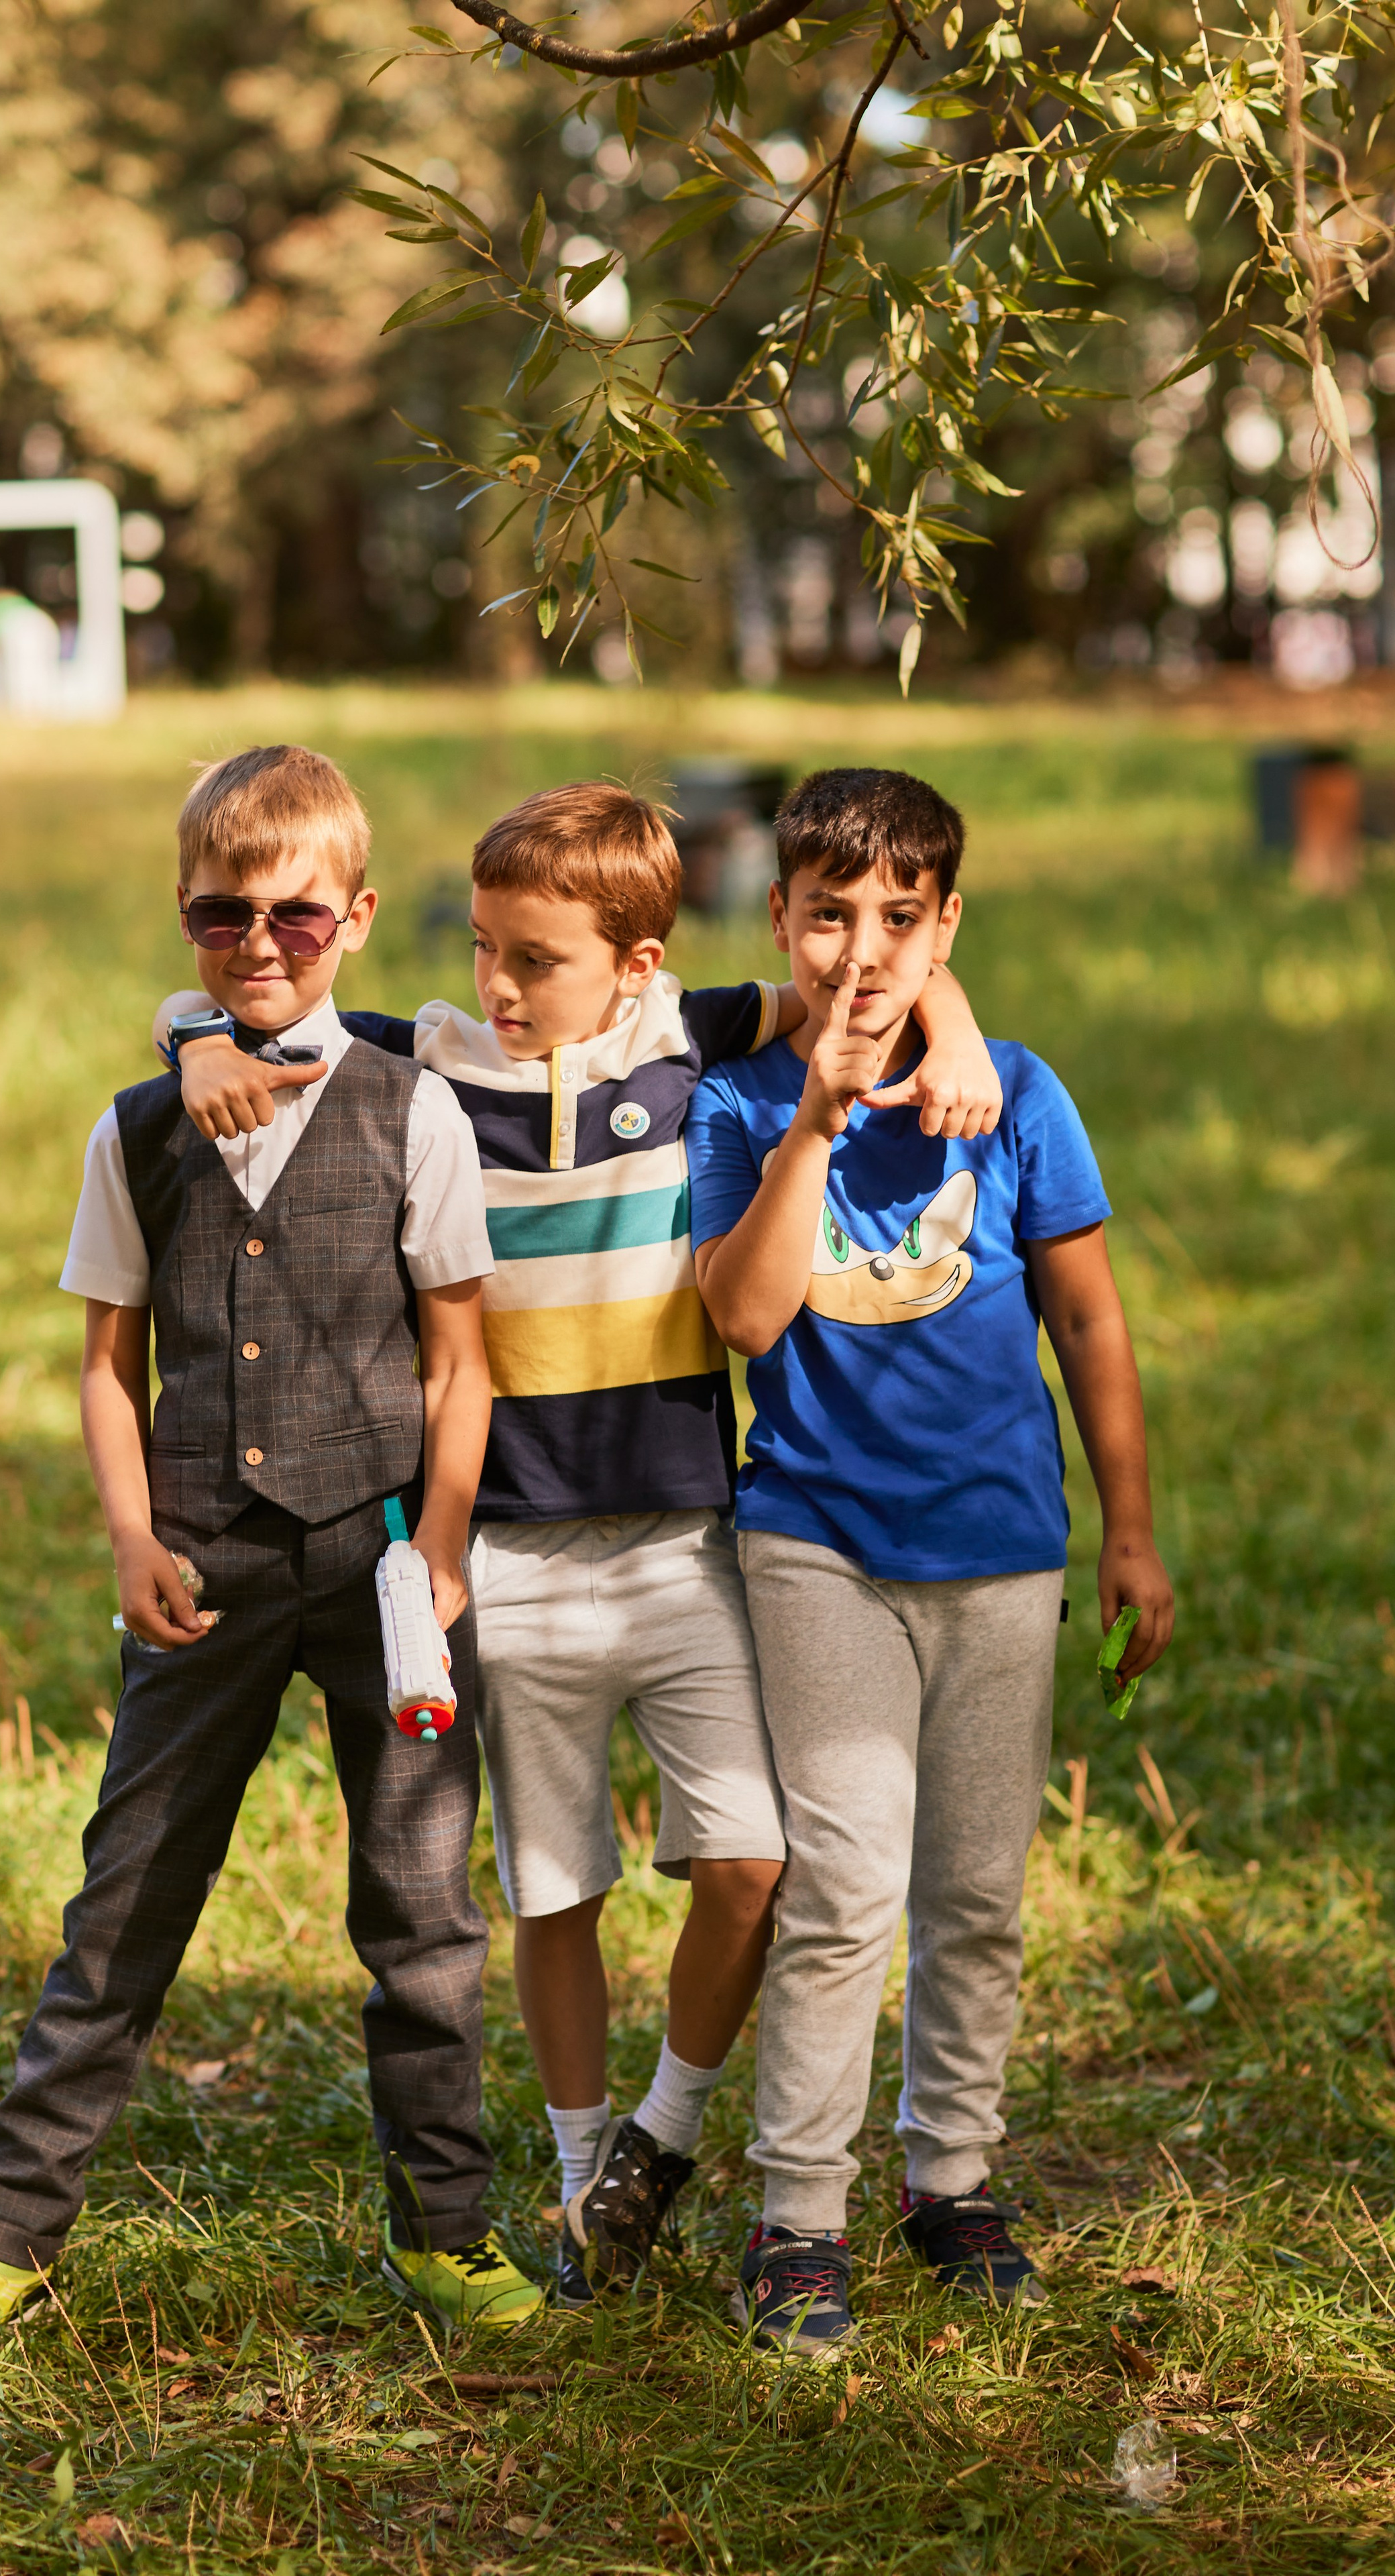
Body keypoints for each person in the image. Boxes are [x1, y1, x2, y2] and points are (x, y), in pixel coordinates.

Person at [166, 779, 1003, 2307]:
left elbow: (861, 976)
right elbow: (248, 999)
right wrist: (196, 1037)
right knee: (554, 1890)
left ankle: (662, 2136)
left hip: (685, 1544)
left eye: (532, 959)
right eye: (484, 947)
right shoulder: (425, 1060)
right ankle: (573, 2180)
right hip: (509, 1558)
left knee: (751, 1861)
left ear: (634, 964)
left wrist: (944, 1024)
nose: (495, 982)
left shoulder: (687, 1039)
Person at [0, 744, 542, 2380]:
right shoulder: (140, 1128)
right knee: (125, 1904)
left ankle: (443, 2233)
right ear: (187, 917)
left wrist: (439, 1552)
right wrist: (132, 1535)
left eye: (295, 915)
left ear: (356, 918)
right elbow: (107, 1362)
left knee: (422, 1916)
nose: (260, 942)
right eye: (224, 916)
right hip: (204, 1564)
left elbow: (461, 1360)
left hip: (385, 1568)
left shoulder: (412, 1109)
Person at [687, 766, 1175, 2359]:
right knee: (842, 1889)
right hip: (814, 1540)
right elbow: (747, 1317)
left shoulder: (1017, 1094)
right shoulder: (745, 1101)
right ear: (777, 917)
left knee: (973, 1889)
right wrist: (818, 1122)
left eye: (899, 918)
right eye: (827, 915)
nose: (860, 949)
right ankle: (798, 2220)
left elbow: (1089, 1320)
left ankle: (951, 2179)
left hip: (997, 1551)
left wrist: (1128, 1528)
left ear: (946, 925)